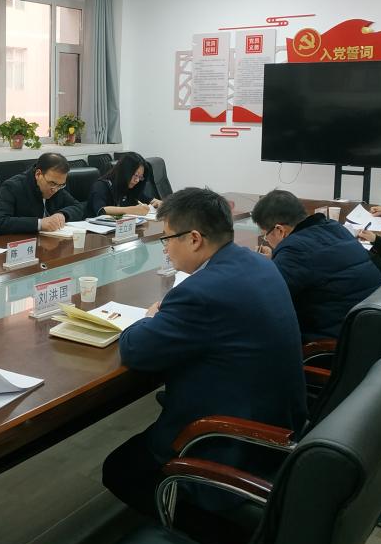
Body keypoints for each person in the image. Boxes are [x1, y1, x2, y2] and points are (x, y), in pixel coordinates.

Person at [102, 187, 307, 524]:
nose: (165, 248)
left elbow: (136, 350)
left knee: (119, 469)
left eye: (167, 238)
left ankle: (214, 531)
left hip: (230, 446)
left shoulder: (201, 292)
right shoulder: (258, 263)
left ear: (194, 239)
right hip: (278, 425)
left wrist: (150, 317)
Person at [252, 190, 381, 341]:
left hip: (332, 342)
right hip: (368, 329)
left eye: (265, 236)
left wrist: (261, 267)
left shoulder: (295, 250)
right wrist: (276, 260)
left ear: (280, 230)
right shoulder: (334, 227)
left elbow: (265, 300)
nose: (266, 241)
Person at [0, 152, 85, 234]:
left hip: (45, 242)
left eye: (61, 185)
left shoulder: (57, 187)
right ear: (38, 174)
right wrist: (39, 224)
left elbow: (78, 207)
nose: (55, 190)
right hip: (14, 245)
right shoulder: (13, 186)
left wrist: (62, 215)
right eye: (52, 183)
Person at [87, 151, 163, 217]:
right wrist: (133, 210)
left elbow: (149, 200)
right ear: (125, 172)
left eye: (140, 177)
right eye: (136, 175)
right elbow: (101, 210)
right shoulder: (101, 186)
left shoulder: (131, 187)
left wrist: (157, 203)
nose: (137, 180)